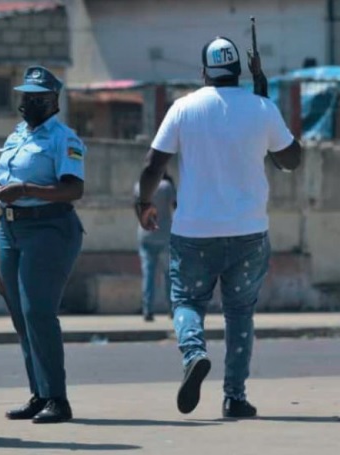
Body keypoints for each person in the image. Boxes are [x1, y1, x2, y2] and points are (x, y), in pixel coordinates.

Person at [136, 36, 302, 419]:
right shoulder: (262, 108)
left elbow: (152, 165)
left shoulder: (183, 108)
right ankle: (235, 397)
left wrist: (144, 203)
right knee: (240, 312)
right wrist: (264, 98)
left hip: (194, 232)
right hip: (249, 232)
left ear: (204, 73)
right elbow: (291, 160)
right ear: (240, 71)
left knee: (187, 302)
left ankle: (194, 353)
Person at [0, 66, 86, 424]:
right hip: (10, 229)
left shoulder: (63, 138)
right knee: (20, 316)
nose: (28, 103)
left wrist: (26, 191)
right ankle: (39, 393)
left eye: (37, 98)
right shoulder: (18, 135)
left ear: (53, 101)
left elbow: (73, 189)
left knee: (38, 313)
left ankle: (57, 399)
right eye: (25, 97)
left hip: (49, 228)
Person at [134, 173, 175, 322]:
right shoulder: (167, 186)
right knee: (169, 274)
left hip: (145, 234)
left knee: (148, 274)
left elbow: (136, 208)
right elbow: (175, 206)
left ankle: (147, 310)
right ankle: (172, 308)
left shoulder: (139, 186)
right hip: (165, 233)